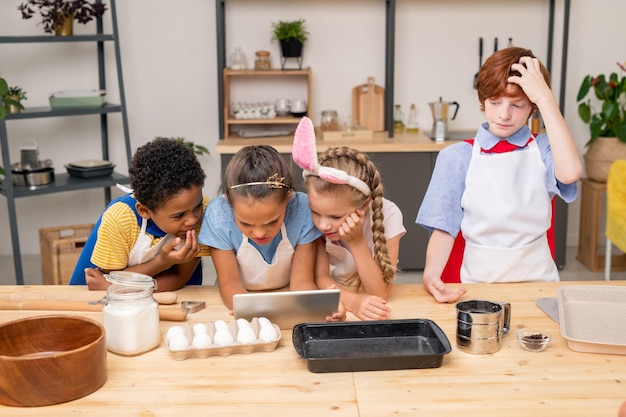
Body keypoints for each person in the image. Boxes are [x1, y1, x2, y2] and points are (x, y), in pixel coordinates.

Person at [416, 47, 582, 303]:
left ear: (532, 107)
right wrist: (431, 276)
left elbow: (570, 173)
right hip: (477, 285)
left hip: (539, 284)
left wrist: (546, 98)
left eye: (517, 105)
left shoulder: (544, 149)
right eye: (495, 103)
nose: (504, 114)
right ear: (482, 101)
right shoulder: (457, 156)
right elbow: (444, 228)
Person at [292, 117, 406, 320]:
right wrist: (352, 302)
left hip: (372, 305)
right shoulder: (313, 221)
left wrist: (356, 241)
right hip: (333, 305)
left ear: (364, 204)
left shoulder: (389, 216)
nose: (323, 224)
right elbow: (320, 279)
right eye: (315, 212)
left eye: (336, 216)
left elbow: (380, 292)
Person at [69, 137, 210, 291]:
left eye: (197, 206)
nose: (191, 220)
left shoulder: (203, 213)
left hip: (171, 295)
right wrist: (162, 262)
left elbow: (179, 278)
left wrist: (116, 286)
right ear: (144, 210)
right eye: (178, 215)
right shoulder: (120, 219)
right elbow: (110, 279)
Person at [198, 144, 321, 310]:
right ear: (228, 202)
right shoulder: (218, 215)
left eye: (272, 222)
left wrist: (313, 309)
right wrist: (255, 314)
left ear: (288, 199)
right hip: (237, 299)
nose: (259, 233)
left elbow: (302, 282)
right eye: (246, 223)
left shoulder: (302, 210)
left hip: (285, 295)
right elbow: (229, 284)